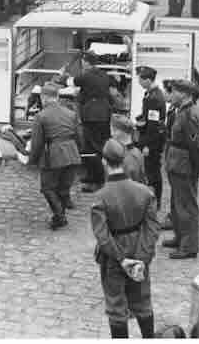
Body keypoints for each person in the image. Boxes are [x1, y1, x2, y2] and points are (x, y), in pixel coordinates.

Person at [91, 139, 160, 338]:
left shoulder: (100, 197)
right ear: (123, 159)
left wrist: (122, 259)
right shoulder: (145, 192)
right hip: (139, 249)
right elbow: (153, 227)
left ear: (104, 162)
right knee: (143, 303)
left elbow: (102, 236)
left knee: (116, 307)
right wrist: (142, 258)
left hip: (113, 258)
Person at [162, 79, 199, 260]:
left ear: (186, 95)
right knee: (176, 204)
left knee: (187, 206)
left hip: (184, 165)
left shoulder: (190, 115)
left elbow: (198, 145)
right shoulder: (181, 111)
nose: (171, 95)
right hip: (176, 163)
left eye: (175, 92)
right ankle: (180, 237)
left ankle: (189, 246)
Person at [28, 83, 82, 229]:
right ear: (57, 97)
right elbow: (79, 136)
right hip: (72, 152)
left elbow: (37, 142)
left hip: (54, 154)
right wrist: (78, 152)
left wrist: (32, 160)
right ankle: (59, 216)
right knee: (63, 188)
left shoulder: (41, 116)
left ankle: (59, 215)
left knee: (47, 188)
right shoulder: (71, 114)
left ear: (43, 97)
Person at [71, 52, 112, 192]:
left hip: (92, 116)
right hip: (104, 114)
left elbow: (73, 81)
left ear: (85, 62)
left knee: (91, 148)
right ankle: (91, 175)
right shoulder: (104, 75)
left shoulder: (86, 75)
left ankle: (97, 180)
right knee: (98, 146)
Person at [135, 66, 166, 209]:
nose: (139, 82)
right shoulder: (151, 94)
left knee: (152, 172)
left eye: (140, 79)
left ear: (147, 80)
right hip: (152, 138)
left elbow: (153, 125)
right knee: (151, 170)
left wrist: (147, 145)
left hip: (152, 141)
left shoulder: (154, 98)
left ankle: (155, 201)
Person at [110, 115, 146, 185]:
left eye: (114, 130)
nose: (112, 134)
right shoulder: (137, 153)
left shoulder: (128, 156)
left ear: (120, 132)